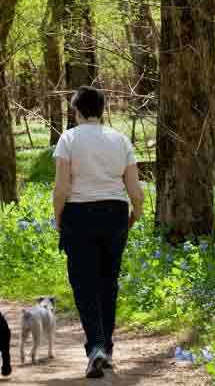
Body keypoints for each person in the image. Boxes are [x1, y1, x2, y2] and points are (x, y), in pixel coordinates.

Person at [52, 86, 145, 379]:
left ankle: (96, 348)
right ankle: (107, 347)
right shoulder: (120, 139)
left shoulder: (68, 138)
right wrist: (135, 215)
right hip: (115, 213)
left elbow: (61, 188)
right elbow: (136, 191)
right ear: (102, 110)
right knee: (108, 282)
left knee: (84, 283)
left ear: (76, 111)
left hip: (79, 215)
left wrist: (58, 217)